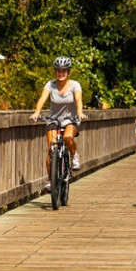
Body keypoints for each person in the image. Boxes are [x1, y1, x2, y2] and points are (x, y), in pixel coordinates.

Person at [30, 56, 87, 192]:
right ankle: (50, 180)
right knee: (51, 150)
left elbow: (78, 99)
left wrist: (80, 112)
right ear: (55, 72)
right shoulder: (50, 84)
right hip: (53, 120)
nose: (61, 74)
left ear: (68, 72)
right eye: (58, 71)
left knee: (68, 138)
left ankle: (74, 155)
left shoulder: (75, 85)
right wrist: (37, 112)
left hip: (70, 120)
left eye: (63, 71)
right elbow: (42, 98)